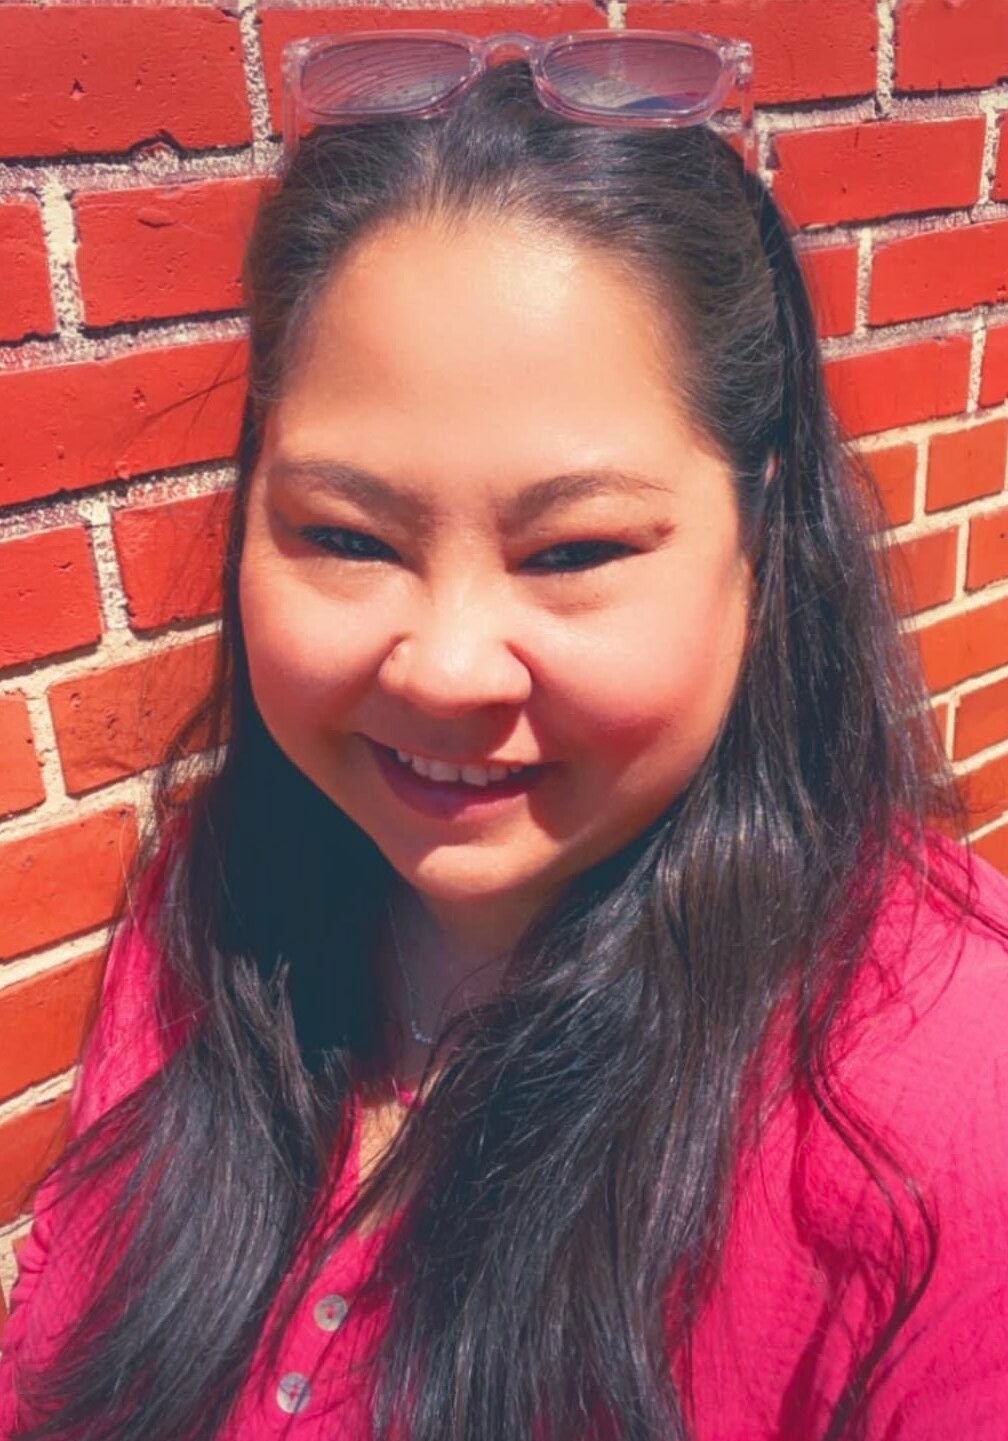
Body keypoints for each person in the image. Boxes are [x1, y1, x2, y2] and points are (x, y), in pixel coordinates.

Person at [1, 31, 1007, 1441]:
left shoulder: (955, 1105)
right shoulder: (214, 897)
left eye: (574, 546)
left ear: (761, 534)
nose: (449, 667)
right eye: (345, 533)